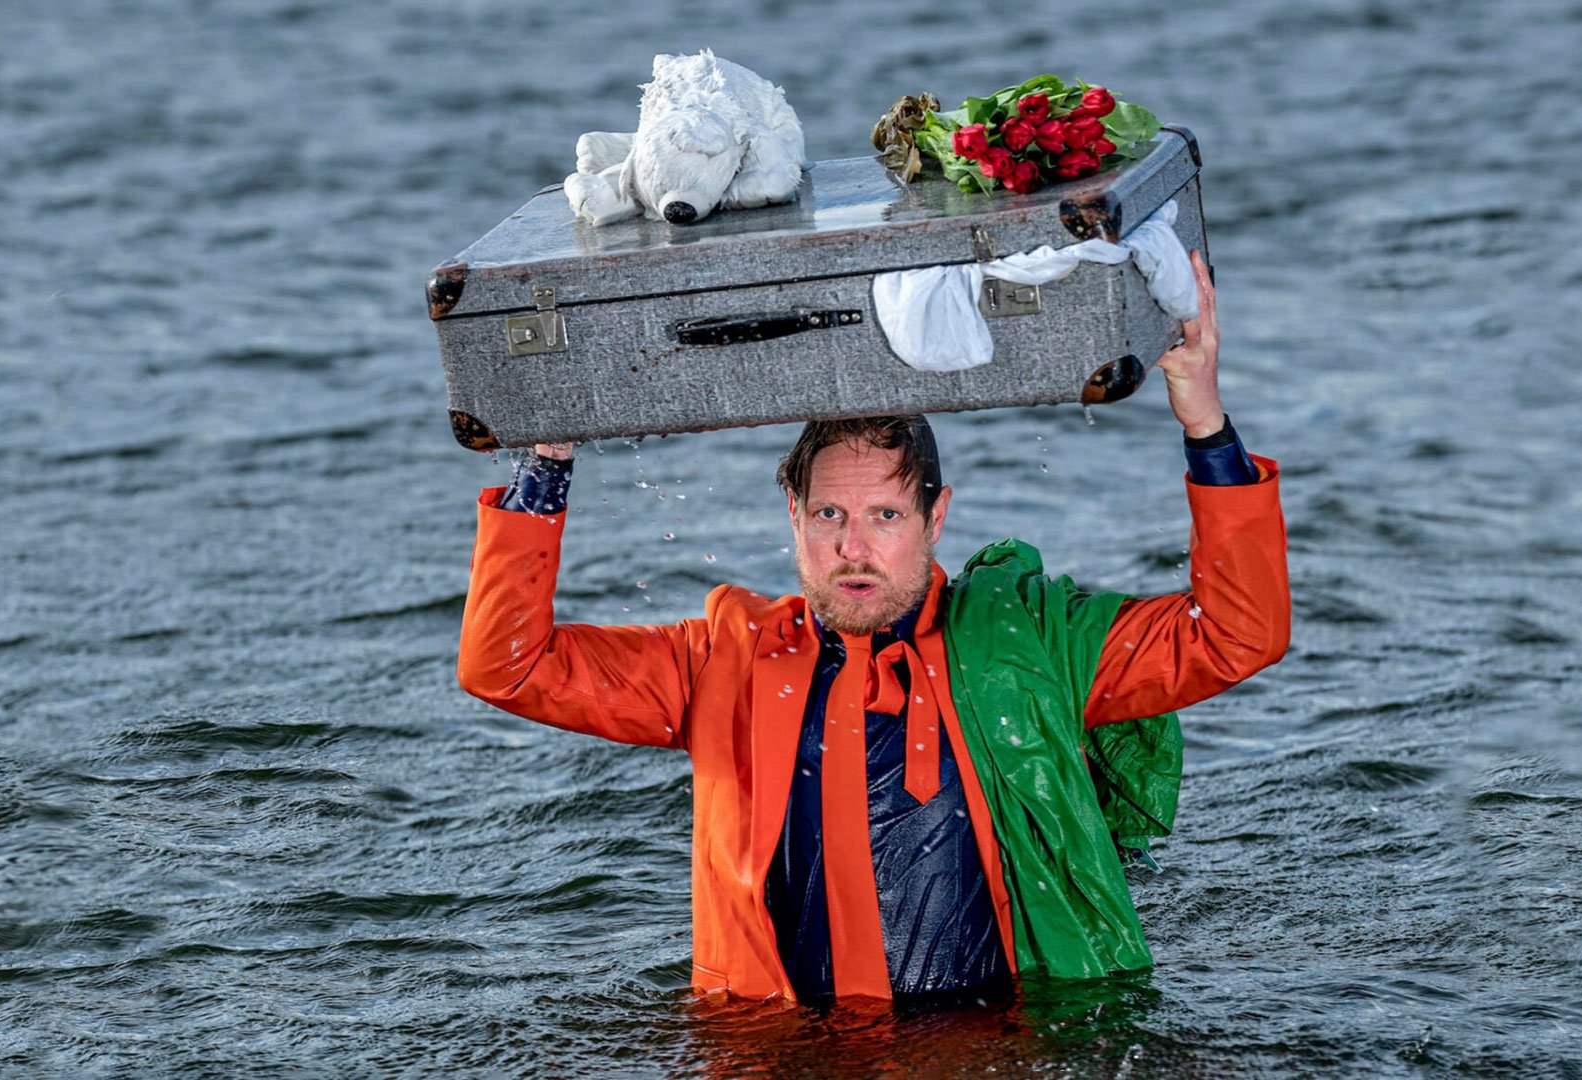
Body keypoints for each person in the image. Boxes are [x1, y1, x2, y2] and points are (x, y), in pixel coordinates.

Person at [457, 252, 1289, 1007]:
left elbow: (1235, 635)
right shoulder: (723, 658)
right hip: (783, 1050)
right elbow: (508, 666)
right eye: (830, 514)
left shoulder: (1037, 641)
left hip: (1004, 1043)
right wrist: (547, 465)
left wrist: (1205, 426)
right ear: (794, 517)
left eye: (886, 514)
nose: (852, 548)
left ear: (936, 519)